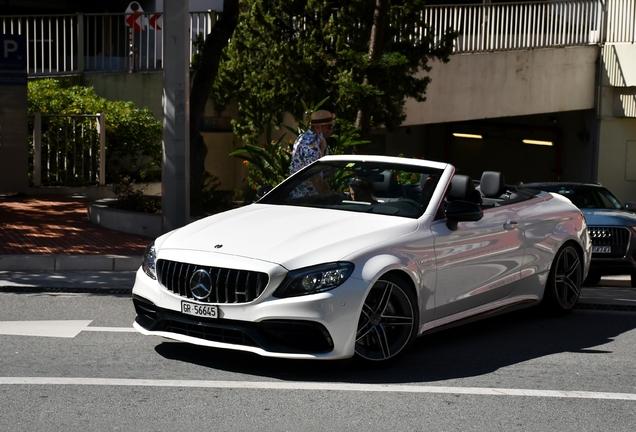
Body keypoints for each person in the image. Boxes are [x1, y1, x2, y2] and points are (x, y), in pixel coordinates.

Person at [288, 110, 336, 197]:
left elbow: (321, 174)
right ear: (318, 127)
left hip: (309, 198)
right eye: (329, 126)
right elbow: (315, 177)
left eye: (332, 126)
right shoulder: (310, 145)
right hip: (305, 199)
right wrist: (326, 199)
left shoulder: (314, 140)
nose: (331, 130)